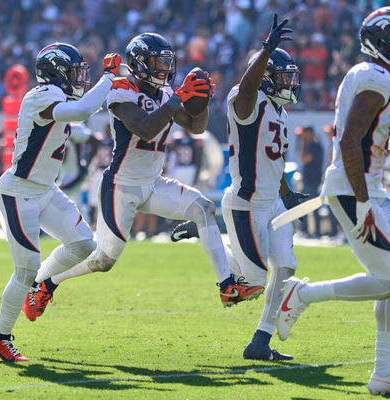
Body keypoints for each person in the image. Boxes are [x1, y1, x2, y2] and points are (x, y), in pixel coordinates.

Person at [23, 33, 264, 322]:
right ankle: (47, 283)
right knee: (104, 260)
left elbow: (196, 127)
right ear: (138, 63)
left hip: (153, 183)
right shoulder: (121, 90)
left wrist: (202, 101)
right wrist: (177, 99)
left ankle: (228, 285)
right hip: (120, 186)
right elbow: (145, 128)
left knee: (204, 210)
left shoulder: (164, 94)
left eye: (167, 61)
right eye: (157, 62)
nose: (164, 68)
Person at [275, 7, 390, 396]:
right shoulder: (376, 78)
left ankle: (383, 371)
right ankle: (302, 294)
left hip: (363, 187)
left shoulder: (374, 75)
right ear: (385, 43)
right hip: (354, 188)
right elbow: (349, 140)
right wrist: (362, 201)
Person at [172, 15, 310, 361]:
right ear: (264, 76)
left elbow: (275, 161)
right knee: (246, 287)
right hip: (247, 202)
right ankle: (207, 233)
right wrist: (266, 49)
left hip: (271, 202)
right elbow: (248, 89)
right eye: (281, 76)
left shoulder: (279, 110)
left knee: (287, 266)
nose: (288, 83)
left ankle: (260, 342)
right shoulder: (246, 100)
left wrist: (287, 193)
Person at [0, 43, 122, 362]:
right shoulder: (41, 95)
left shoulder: (59, 97)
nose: (79, 78)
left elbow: (86, 109)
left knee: (84, 244)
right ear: (56, 72)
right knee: (26, 266)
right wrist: (109, 78)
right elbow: (82, 110)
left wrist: (114, 86)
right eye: (74, 72)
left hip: (45, 189)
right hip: (18, 191)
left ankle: (39, 287)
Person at [297, 125, 323, 237]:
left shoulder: (314, 146)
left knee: (311, 207)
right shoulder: (312, 146)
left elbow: (304, 159)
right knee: (305, 207)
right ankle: (306, 231)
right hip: (308, 180)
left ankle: (314, 232)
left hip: (312, 181)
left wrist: (302, 144)